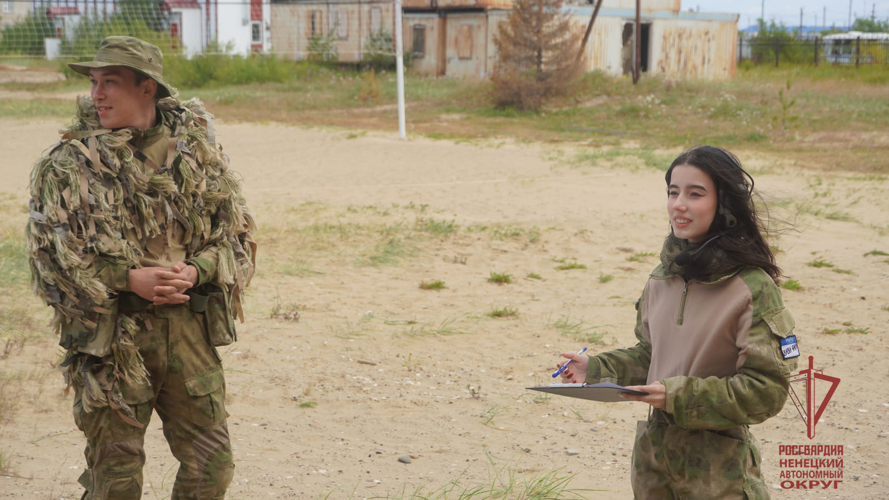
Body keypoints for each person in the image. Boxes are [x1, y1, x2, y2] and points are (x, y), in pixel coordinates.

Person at [26, 36, 256, 499]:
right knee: (115, 481)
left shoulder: (198, 154)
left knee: (212, 468)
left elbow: (236, 239)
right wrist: (129, 278)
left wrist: (195, 270)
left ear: (147, 88)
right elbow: (51, 258)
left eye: (109, 82)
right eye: (94, 83)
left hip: (188, 332)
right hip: (115, 340)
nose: (97, 95)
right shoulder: (69, 165)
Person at [556, 146, 798, 499]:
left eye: (695, 194)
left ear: (724, 204)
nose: (678, 205)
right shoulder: (661, 279)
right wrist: (594, 368)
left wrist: (676, 394)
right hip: (653, 465)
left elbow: (766, 391)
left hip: (719, 473)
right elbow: (651, 356)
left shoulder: (752, 288)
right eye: (673, 192)